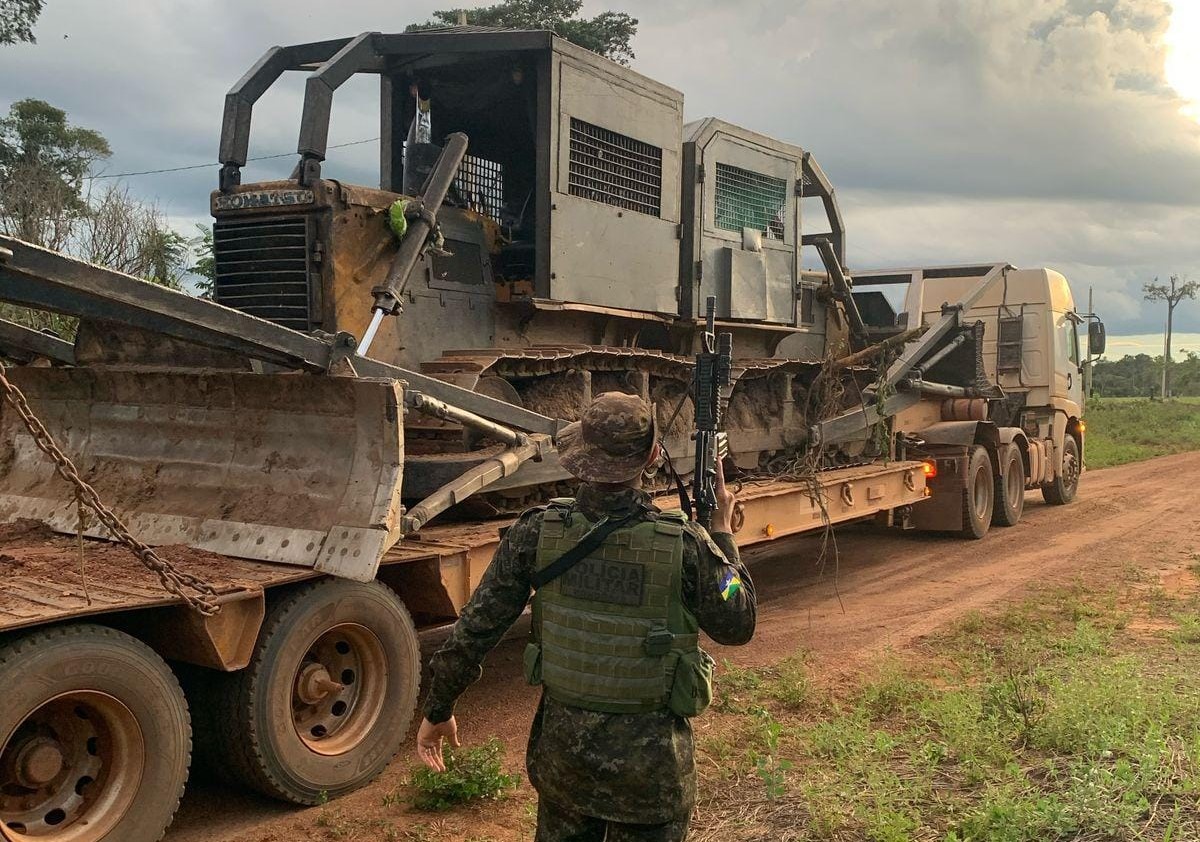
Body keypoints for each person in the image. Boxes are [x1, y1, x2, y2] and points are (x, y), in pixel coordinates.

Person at [416, 391, 757, 841]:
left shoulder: (536, 532)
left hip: (565, 770)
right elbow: (738, 621)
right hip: (650, 779)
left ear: (579, 455)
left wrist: (440, 708)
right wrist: (723, 538)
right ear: (653, 456)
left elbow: (475, 630)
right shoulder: (688, 545)